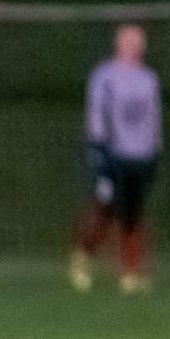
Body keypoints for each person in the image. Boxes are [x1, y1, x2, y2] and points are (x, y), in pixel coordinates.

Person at [69, 24, 162, 295]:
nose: (133, 47)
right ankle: (83, 256)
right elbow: (97, 114)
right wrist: (99, 147)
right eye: (128, 42)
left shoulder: (148, 78)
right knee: (105, 208)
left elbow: (153, 118)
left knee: (133, 213)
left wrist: (155, 148)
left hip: (141, 156)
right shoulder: (105, 76)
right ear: (118, 45)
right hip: (113, 154)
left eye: (137, 42)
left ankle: (131, 272)